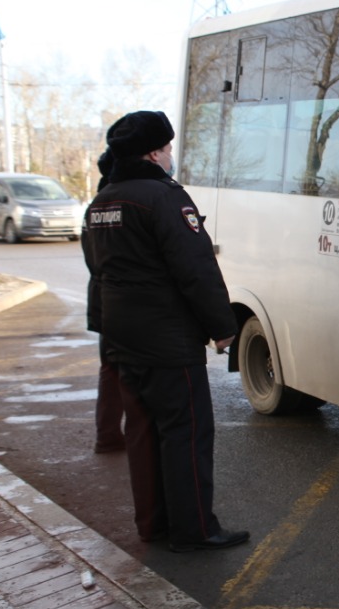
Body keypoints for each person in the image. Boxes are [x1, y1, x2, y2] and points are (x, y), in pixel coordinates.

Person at [82, 110, 248, 553]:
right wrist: (221, 327)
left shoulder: (101, 202)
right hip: (168, 340)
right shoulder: (163, 198)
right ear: (155, 152)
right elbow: (195, 266)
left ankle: (153, 525)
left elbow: (98, 274)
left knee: (142, 432)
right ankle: (195, 529)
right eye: (169, 148)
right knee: (186, 432)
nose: (172, 156)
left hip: (121, 340)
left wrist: (103, 329)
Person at [89, 148, 127, 454]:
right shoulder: (115, 203)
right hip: (117, 300)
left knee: (110, 369)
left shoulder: (96, 204)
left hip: (103, 300)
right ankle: (109, 434)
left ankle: (108, 433)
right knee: (119, 370)